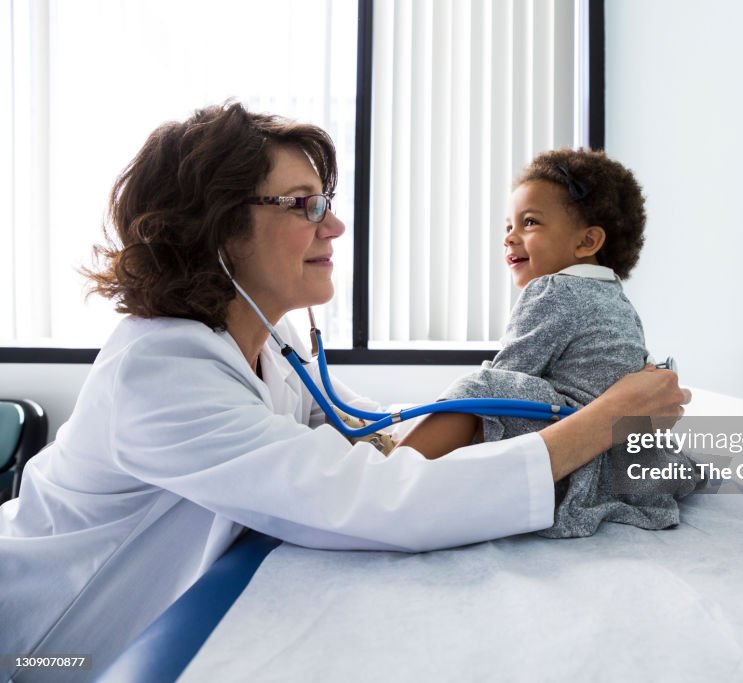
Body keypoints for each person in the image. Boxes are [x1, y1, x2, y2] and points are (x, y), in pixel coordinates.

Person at [0, 102, 688, 677]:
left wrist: (434, 427)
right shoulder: (158, 372)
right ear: (215, 226)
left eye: (325, 202)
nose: (334, 225)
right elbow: (370, 499)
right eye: (305, 205)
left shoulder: (266, 343)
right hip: (42, 642)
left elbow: (356, 424)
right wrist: (601, 420)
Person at [399, 149, 699, 538]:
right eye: (508, 225)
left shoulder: (553, 289)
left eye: (529, 222)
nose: (510, 236)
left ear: (586, 241)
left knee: (477, 390)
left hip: (574, 454)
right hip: (617, 460)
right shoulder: (617, 298)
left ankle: (396, 465)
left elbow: (510, 375)